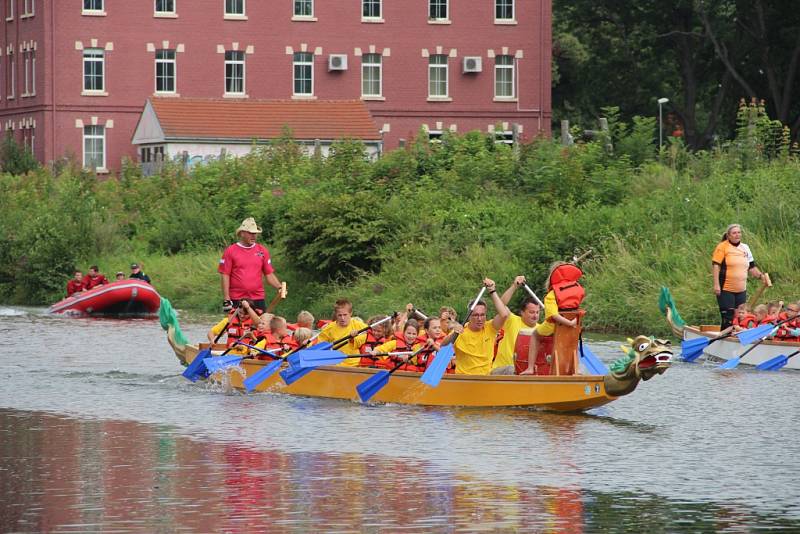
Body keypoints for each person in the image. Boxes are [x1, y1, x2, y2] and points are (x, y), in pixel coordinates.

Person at [522, 262, 582, 376]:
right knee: (573, 341)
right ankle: (576, 370)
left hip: (556, 325)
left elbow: (554, 316)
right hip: (575, 325)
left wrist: (569, 323)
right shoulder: (576, 290)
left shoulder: (551, 295)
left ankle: (530, 368)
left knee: (535, 334)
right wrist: (572, 323)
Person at [219, 217, 283, 313]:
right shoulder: (230, 251)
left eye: (255, 233)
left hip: (257, 298)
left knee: (261, 326)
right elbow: (225, 275)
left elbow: (269, 274)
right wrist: (227, 298)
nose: (254, 236)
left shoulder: (262, 251)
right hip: (237, 298)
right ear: (242, 233)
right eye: (250, 233)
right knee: (238, 326)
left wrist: (280, 287)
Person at [450, 278, 511, 375]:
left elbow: (504, 314)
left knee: (511, 369)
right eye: (476, 315)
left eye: (482, 315)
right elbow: (443, 347)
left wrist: (492, 291)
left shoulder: (490, 327)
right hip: (466, 378)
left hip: (487, 376)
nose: (480, 319)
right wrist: (452, 334)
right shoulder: (460, 331)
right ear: (469, 316)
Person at [712, 224, 764, 330]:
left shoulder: (745, 248)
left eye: (739, 232)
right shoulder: (722, 246)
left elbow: (752, 267)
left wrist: (762, 276)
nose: (737, 235)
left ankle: (738, 338)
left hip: (741, 289)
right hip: (726, 288)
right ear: (728, 235)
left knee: (740, 317)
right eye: (734, 233)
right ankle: (725, 339)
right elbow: (716, 265)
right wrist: (716, 284)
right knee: (728, 318)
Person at [492, 275, 541, 374]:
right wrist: (514, 286)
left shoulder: (542, 329)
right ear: (522, 312)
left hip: (525, 373)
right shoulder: (512, 320)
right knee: (513, 369)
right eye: (531, 312)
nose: (535, 315)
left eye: (537, 312)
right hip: (502, 370)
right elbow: (500, 305)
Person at [317, 299, 368, 367]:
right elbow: (320, 346)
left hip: (354, 364)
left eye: (345, 315)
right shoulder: (329, 328)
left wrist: (354, 339)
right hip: (335, 364)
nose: (342, 318)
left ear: (350, 313)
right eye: (339, 315)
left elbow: (368, 335)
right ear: (336, 314)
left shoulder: (359, 325)